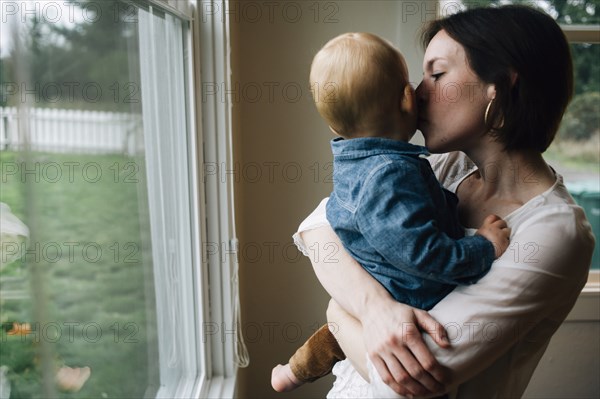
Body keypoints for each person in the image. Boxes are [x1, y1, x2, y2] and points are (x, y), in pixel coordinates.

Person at [295, 5, 595, 398]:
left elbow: (398, 384)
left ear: (500, 87)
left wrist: (337, 313)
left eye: (437, 74)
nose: (417, 93)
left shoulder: (554, 231)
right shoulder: (439, 168)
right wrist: (372, 308)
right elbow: (316, 229)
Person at [271, 32, 510, 392]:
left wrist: (345, 308)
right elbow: (425, 253)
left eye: (438, 74)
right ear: (406, 99)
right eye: (418, 81)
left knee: (331, 335)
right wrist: (485, 247)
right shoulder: (391, 173)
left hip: (374, 290)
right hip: (409, 300)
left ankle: (292, 372)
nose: (423, 89)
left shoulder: (356, 161)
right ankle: (293, 371)